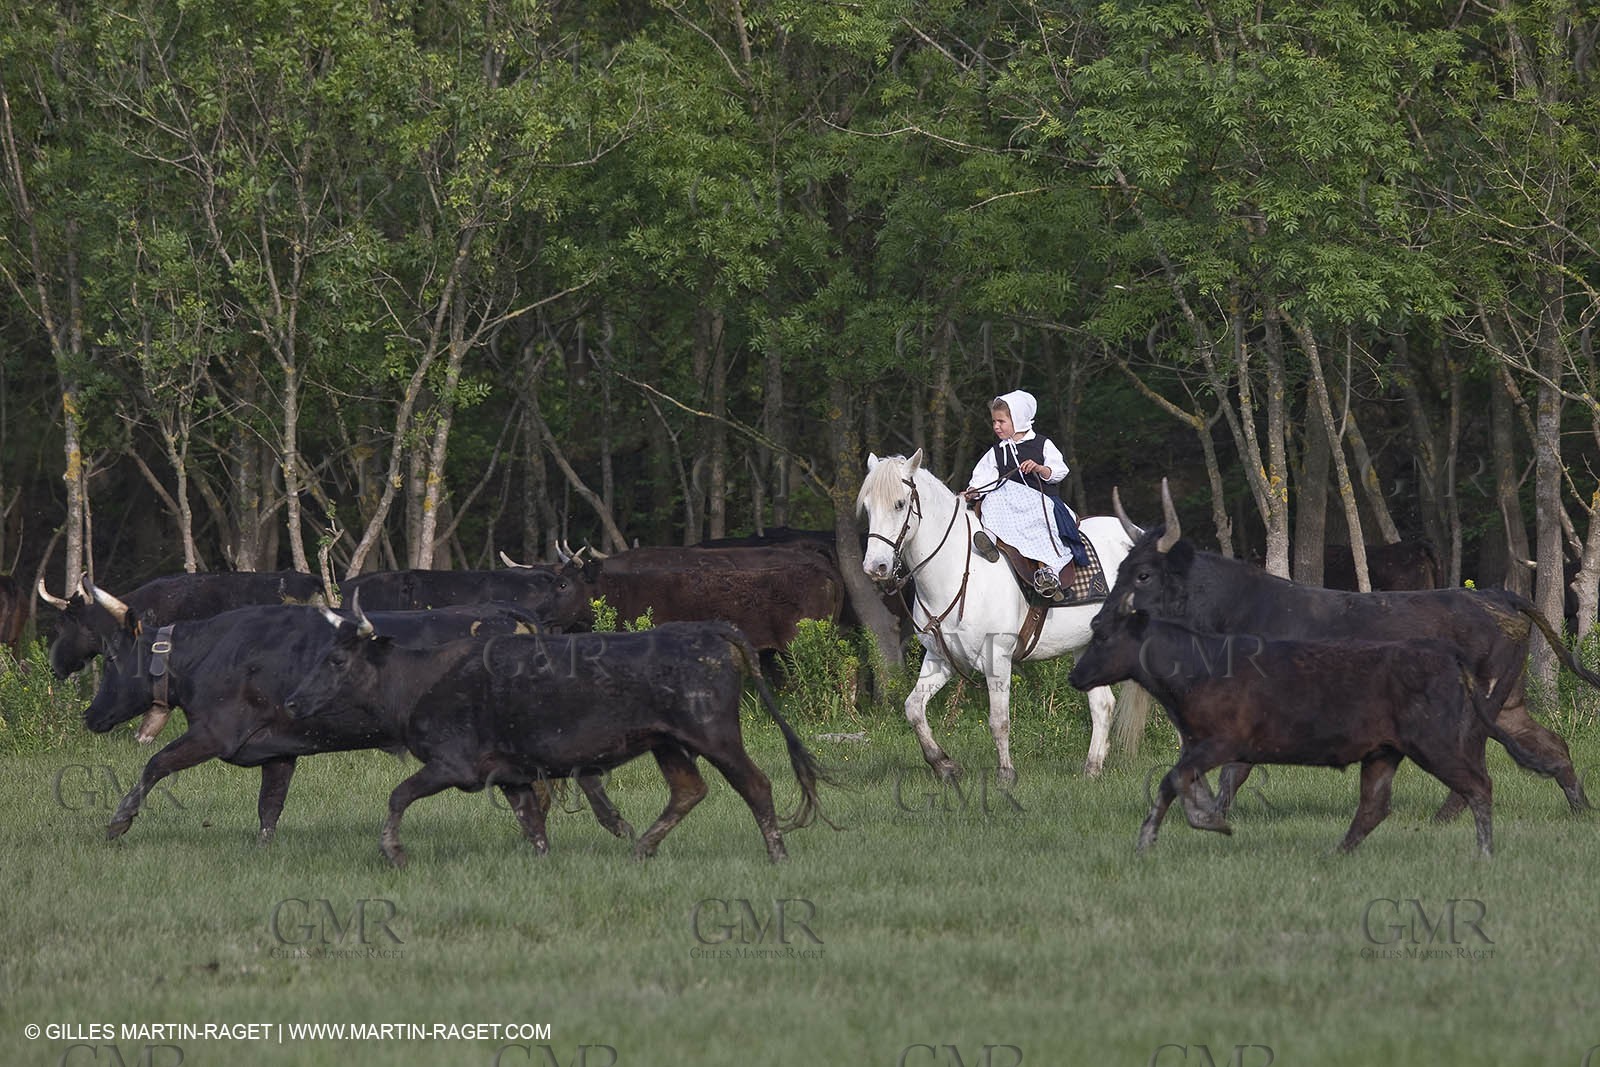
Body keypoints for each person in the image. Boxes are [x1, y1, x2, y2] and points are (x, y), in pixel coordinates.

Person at [963, 389, 1087, 600]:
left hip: (1040, 502)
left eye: (1001, 421)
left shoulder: (1042, 444)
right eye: (994, 422)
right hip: (1011, 508)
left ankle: (1051, 572)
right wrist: (973, 491)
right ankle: (989, 538)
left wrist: (1039, 468)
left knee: (1044, 529)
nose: (996, 426)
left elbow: (1059, 471)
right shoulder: (997, 451)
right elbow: (983, 480)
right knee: (991, 497)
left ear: (1018, 419)